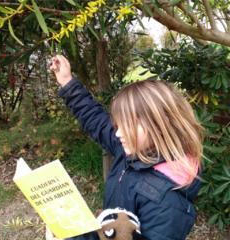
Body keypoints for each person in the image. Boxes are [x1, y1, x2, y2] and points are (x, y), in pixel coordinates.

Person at [46, 55, 205, 240]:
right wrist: (67, 81)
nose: (119, 133)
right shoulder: (135, 150)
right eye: (118, 124)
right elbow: (96, 120)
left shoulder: (166, 202)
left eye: (127, 125)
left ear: (159, 126)